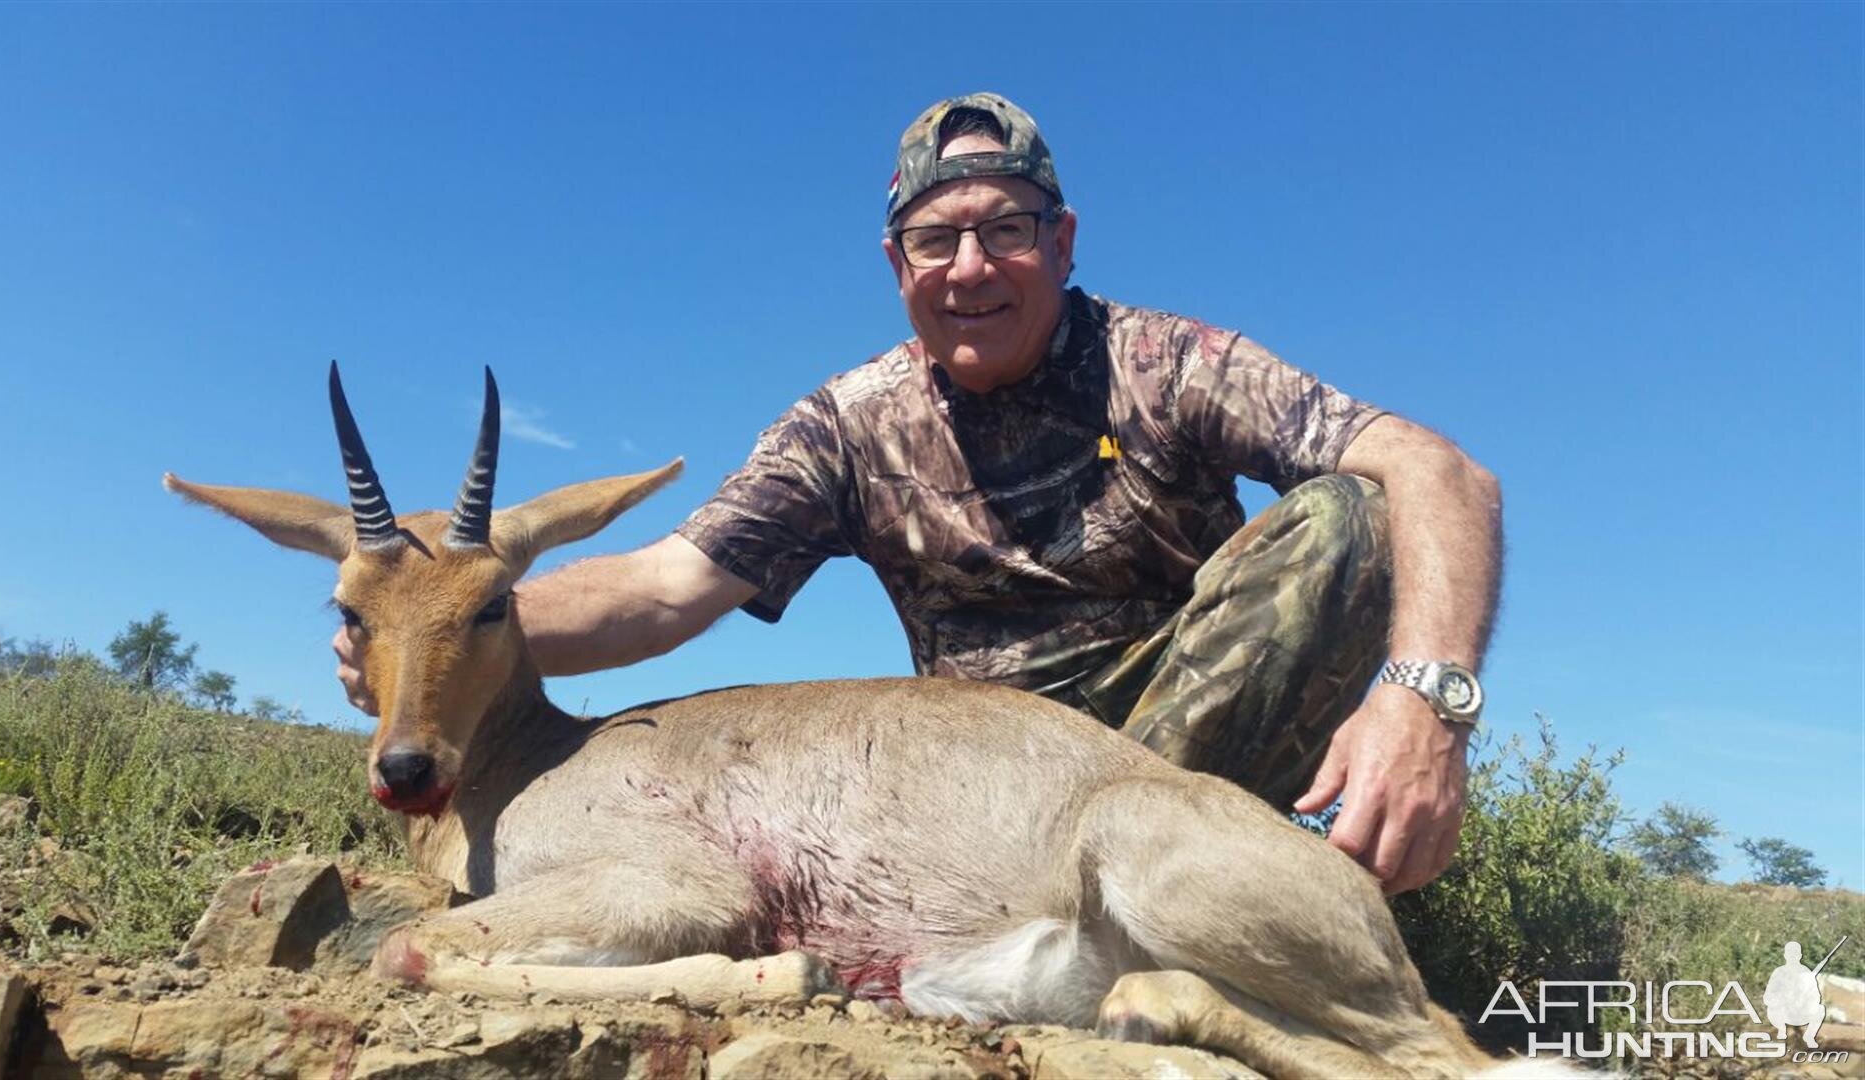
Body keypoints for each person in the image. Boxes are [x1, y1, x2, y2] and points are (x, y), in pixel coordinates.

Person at [335, 93, 1503, 895]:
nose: (972, 267)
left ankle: (1169, 891)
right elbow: (661, 589)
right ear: (897, 264)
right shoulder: (849, 423)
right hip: (986, 790)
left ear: (1064, 239)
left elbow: (1443, 471)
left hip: (1183, 753)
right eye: (937, 239)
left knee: (1353, 514)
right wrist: (438, 640)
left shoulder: (1169, 362)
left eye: (1007, 229)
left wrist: (1425, 706)